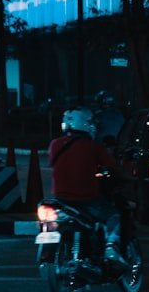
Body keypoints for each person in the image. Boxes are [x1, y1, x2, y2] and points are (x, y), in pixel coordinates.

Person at [48, 106, 124, 269]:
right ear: (86, 124)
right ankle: (111, 248)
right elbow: (113, 167)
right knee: (113, 216)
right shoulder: (93, 147)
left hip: (60, 200)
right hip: (86, 199)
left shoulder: (55, 145)